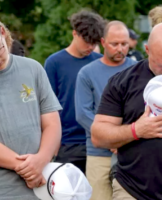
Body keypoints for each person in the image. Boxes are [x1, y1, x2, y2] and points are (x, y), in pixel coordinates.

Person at [0, 12, 62, 200]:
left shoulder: (33, 68)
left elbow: (52, 123)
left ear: (2, 32)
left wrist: (41, 159)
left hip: (42, 185)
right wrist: (26, 168)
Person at [91, 23, 162, 200]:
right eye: (160, 64)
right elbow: (98, 135)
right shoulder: (123, 82)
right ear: (146, 49)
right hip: (133, 190)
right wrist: (136, 130)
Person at [75, 21, 136, 200]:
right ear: (103, 42)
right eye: (114, 44)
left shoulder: (137, 69)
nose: (120, 49)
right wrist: (110, 138)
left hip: (131, 152)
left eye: (124, 44)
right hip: (99, 153)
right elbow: (83, 114)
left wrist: (124, 138)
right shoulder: (87, 73)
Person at [44, 10, 105, 173]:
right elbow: (47, 106)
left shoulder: (98, 61)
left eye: (94, 42)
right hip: (66, 142)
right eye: (87, 41)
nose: (91, 47)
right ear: (74, 34)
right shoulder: (54, 62)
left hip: (95, 141)